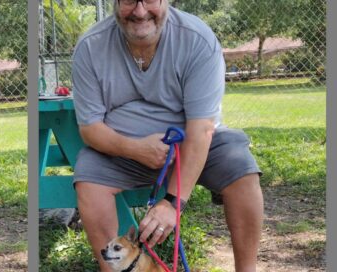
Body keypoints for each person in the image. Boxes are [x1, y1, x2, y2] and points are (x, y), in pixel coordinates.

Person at [71, 0, 263, 271]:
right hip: (121, 150)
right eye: (128, 1)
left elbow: (202, 129)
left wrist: (172, 202)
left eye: (149, 0)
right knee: (88, 177)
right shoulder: (90, 46)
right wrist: (135, 149)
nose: (139, 11)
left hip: (193, 145)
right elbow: (90, 129)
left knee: (241, 168)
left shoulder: (198, 40)